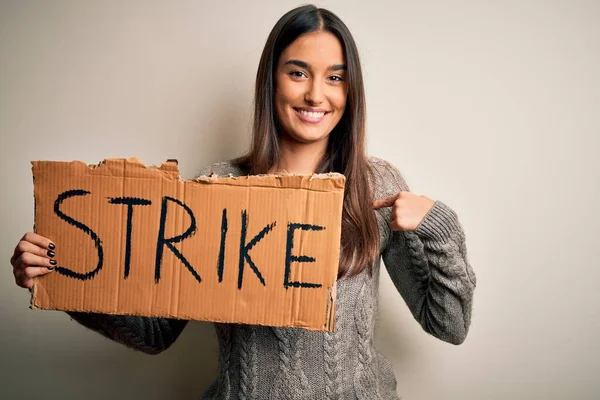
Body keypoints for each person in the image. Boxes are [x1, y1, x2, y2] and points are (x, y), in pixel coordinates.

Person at [10, 4, 476, 399]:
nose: (316, 93)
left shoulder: (375, 185)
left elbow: (449, 325)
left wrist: (438, 225)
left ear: (350, 91)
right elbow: (156, 334)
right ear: (271, 80)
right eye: (298, 73)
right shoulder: (218, 185)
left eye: (335, 77)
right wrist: (66, 275)